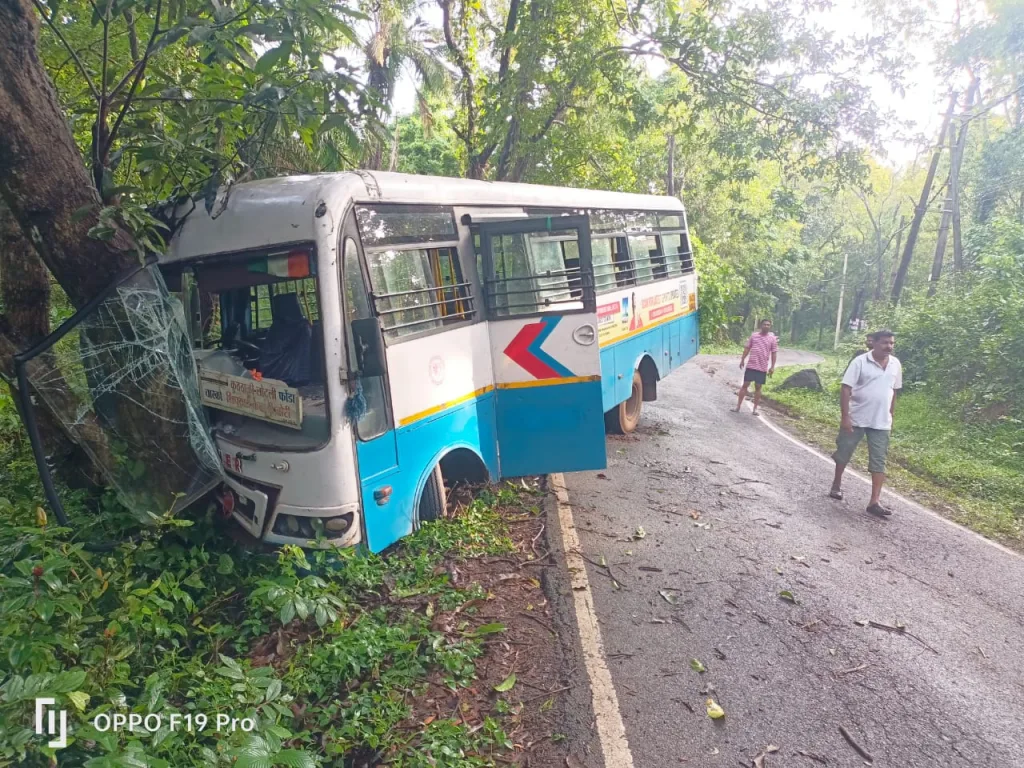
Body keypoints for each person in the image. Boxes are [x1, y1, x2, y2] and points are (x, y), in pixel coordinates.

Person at [829, 329, 902, 518]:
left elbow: (894, 391)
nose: (889, 346)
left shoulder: (895, 364)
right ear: (874, 343)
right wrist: (845, 416)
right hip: (857, 417)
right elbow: (846, 389)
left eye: (892, 343)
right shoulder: (860, 362)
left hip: (881, 421)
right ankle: (836, 484)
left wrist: (891, 415)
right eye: (885, 343)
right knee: (844, 452)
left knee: (879, 460)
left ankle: (874, 501)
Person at [735, 319, 778, 415]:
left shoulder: (772, 339)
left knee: (758, 387)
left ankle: (755, 409)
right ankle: (738, 406)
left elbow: (774, 353)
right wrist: (742, 359)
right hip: (751, 365)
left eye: (768, 325)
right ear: (761, 325)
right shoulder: (754, 336)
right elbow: (747, 348)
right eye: (764, 324)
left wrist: (772, 367)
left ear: (770, 326)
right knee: (745, 385)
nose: (766, 326)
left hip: (762, 367)